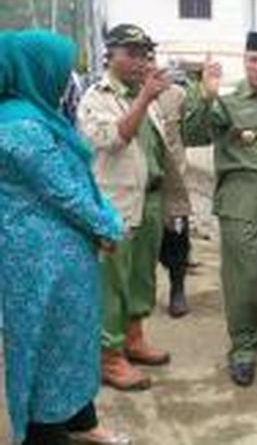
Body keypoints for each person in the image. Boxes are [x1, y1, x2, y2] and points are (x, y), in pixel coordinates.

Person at [0, 31, 129, 444]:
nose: (67, 78)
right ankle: (46, 432)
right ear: (36, 70)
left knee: (72, 343)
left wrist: (101, 222)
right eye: (60, 69)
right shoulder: (21, 127)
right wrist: (109, 226)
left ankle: (81, 422)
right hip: (40, 265)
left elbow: (76, 181)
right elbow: (64, 191)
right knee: (47, 348)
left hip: (62, 260)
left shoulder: (34, 114)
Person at [182, 31, 257, 387]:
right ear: (245, 61)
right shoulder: (227, 104)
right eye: (252, 59)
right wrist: (203, 95)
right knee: (245, 278)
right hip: (241, 203)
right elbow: (192, 135)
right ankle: (242, 348)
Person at [78, 24, 172, 391]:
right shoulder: (96, 97)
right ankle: (109, 358)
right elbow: (115, 139)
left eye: (144, 54)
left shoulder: (145, 95)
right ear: (110, 56)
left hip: (148, 200)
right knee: (112, 284)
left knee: (140, 278)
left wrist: (150, 95)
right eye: (129, 53)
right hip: (114, 203)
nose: (138, 61)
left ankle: (133, 339)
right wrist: (145, 98)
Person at [148, 55, 193, 318]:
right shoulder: (121, 98)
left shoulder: (176, 95)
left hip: (172, 184)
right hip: (139, 184)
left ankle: (178, 290)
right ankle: (141, 295)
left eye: (150, 58)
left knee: (177, 239)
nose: (147, 64)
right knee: (141, 242)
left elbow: (190, 132)